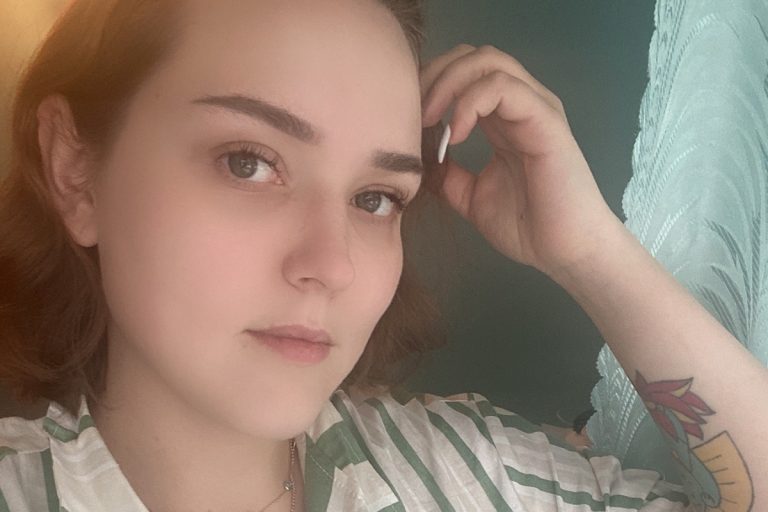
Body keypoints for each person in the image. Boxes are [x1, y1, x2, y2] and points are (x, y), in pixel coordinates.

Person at [0, 0, 765, 510]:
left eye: (375, 198)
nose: (332, 265)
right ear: (76, 170)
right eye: (248, 162)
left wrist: (588, 248)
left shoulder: (464, 473)